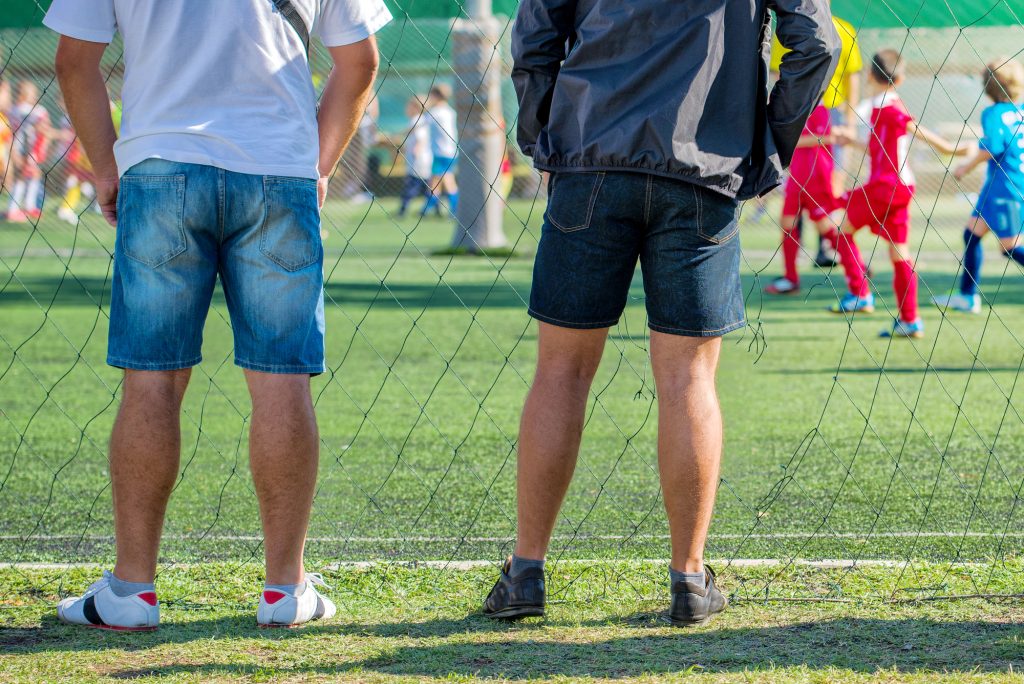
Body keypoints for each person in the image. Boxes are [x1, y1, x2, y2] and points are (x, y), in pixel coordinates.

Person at [484, 0, 839, 626]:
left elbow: (535, 36)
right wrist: (765, 144)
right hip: (704, 172)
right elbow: (814, 44)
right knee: (688, 380)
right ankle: (689, 580)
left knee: (561, 372)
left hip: (589, 160)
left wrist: (548, 138)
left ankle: (526, 574)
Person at [45, 0, 390, 630]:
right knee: (282, 381)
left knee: (151, 380)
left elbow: (74, 62)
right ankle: (285, 592)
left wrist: (106, 166)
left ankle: (131, 592)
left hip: (161, 165)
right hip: (277, 170)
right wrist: (317, 164)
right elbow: (360, 60)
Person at [828, 49, 969, 338]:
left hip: (885, 187)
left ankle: (860, 294)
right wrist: (852, 141)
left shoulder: (889, 109)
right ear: (901, 78)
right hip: (900, 187)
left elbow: (915, 129)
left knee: (841, 230)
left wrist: (951, 148)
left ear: (869, 75)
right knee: (898, 252)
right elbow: (877, 148)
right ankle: (910, 320)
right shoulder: (875, 109)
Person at [771, 2, 863, 267]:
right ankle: (801, 250)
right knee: (796, 185)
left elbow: (852, 78)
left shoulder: (844, 30)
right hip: (798, 115)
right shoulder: (786, 28)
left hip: (829, 114)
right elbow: (778, 75)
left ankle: (830, 246)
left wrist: (850, 120)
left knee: (832, 183)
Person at [933, 58, 1024, 314]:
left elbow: (994, 146)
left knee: (1010, 248)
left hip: (1005, 188)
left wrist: (966, 167)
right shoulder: (1021, 110)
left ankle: (968, 295)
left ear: (988, 87)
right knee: (971, 234)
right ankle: (967, 296)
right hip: (1003, 185)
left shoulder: (993, 113)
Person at [764, 105, 850, 294]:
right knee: (787, 223)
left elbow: (825, 137)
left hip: (816, 176)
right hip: (796, 177)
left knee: (826, 228)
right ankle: (790, 278)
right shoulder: (792, 107)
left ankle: (857, 265)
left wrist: (788, 140)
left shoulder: (818, 108)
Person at [5, 80, 51, 223]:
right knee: (30, 176)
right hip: (32, 148)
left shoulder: (12, 110)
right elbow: (44, 129)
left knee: (23, 176)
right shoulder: (38, 111)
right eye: (32, 93)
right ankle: (20, 209)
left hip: (16, 147)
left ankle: (22, 208)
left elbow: (9, 130)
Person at [422, 83, 458, 217]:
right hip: (451, 151)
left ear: (436, 96)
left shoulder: (435, 113)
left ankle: (429, 208)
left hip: (440, 152)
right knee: (444, 179)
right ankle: (446, 208)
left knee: (439, 181)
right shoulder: (450, 111)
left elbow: (420, 123)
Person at [397, 95, 432, 217]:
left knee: (413, 185)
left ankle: (403, 209)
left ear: (416, 108)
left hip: (419, 160)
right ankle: (433, 208)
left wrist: (417, 150)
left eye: (409, 106)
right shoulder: (421, 120)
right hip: (420, 159)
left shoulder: (418, 119)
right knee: (427, 185)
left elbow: (420, 138)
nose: (406, 109)